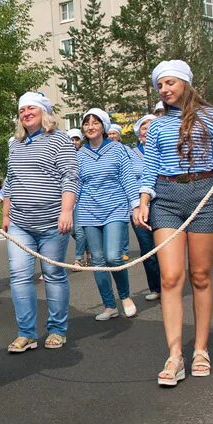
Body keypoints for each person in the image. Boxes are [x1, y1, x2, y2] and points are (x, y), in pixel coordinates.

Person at [132, 60, 213, 387]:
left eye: (170, 83)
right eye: (160, 85)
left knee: (200, 276)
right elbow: (150, 167)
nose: (164, 90)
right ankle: (175, 355)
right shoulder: (158, 125)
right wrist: (144, 199)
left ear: (186, 84)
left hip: (204, 193)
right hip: (167, 197)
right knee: (171, 277)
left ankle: (201, 349)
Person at [1, 91, 79, 353]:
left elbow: (70, 176)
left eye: (31, 109)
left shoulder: (59, 140)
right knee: (19, 277)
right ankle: (27, 334)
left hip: (52, 223)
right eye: (22, 110)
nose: (26, 114)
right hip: (20, 224)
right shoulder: (14, 143)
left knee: (53, 275)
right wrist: (6, 214)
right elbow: (11, 181)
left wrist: (67, 211)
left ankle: (57, 329)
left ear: (43, 112)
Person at [75, 107, 139, 322]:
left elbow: (128, 178)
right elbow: (75, 184)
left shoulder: (117, 149)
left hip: (115, 208)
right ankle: (109, 305)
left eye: (95, 123)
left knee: (113, 256)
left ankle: (125, 296)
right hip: (88, 211)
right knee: (98, 260)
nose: (90, 127)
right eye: (86, 123)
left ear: (104, 126)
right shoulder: (80, 154)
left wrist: (136, 204)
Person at [126, 114, 162, 301]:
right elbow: (128, 180)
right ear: (139, 132)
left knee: (164, 247)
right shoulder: (130, 153)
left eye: (152, 126)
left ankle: (169, 284)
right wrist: (135, 205)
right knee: (147, 248)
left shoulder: (164, 150)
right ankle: (155, 287)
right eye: (144, 127)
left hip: (163, 204)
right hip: (138, 206)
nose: (148, 130)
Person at [65, 128, 90, 266]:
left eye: (76, 139)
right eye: (71, 139)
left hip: (81, 198)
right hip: (67, 198)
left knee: (79, 230)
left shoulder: (84, 155)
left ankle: (78, 259)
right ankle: (88, 249)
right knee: (72, 231)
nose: (74, 142)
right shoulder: (63, 155)